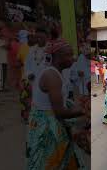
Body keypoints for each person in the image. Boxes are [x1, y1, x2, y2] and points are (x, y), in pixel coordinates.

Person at [27, 39, 86, 169]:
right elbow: (60, 112)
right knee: (50, 161)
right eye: (69, 55)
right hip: (47, 127)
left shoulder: (56, 72)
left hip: (48, 121)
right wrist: (84, 111)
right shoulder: (51, 76)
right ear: (58, 57)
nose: (73, 58)